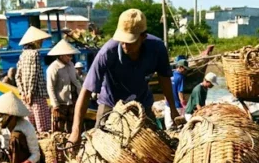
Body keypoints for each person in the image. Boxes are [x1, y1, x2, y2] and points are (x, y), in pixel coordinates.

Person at [69, 8, 179, 146]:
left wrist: (173, 109)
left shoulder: (157, 48)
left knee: (152, 147)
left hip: (142, 103)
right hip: (110, 103)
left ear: (143, 37)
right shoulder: (107, 52)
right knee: (101, 147)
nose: (125, 45)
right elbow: (86, 91)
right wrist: (75, 131)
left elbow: (164, 78)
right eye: (122, 40)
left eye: (130, 41)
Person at [0, 91, 40, 163]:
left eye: (3, 115)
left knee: (15, 136)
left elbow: (35, 154)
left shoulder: (27, 127)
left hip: (21, 159)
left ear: (12, 116)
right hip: (4, 157)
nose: (0, 118)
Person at [16, 26, 51, 132]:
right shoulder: (35, 54)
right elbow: (33, 74)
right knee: (42, 124)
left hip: (25, 95)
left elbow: (18, 76)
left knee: (30, 123)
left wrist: (23, 92)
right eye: (40, 41)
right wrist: (30, 92)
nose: (41, 43)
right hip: (37, 93)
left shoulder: (22, 54)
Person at [46, 39, 82, 131]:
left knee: (73, 127)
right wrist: (55, 105)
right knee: (59, 128)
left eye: (71, 56)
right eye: (68, 56)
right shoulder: (53, 68)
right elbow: (50, 87)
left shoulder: (71, 65)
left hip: (73, 101)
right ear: (61, 55)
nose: (70, 58)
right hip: (61, 103)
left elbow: (77, 80)